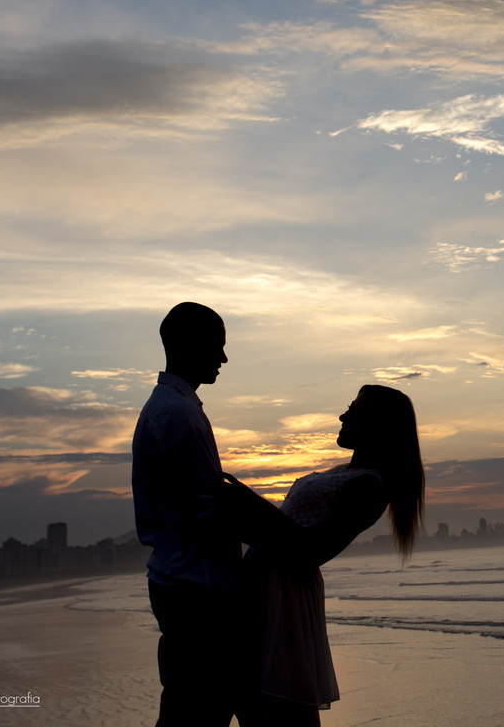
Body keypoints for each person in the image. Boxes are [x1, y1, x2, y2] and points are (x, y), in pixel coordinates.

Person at [133, 302, 319, 726]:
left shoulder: (166, 408)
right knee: (199, 710)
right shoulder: (179, 415)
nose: (223, 358)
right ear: (187, 345)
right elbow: (212, 508)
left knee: (192, 705)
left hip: (179, 579)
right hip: (200, 589)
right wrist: (285, 538)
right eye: (217, 346)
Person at [237, 384, 425, 726]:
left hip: (284, 595)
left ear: (376, 423)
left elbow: (310, 551)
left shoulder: (370, 486)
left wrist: (247, 511)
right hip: (270, 587)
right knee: (260, 703)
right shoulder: (348, 473)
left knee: (275, 707)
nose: (342, 416)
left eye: (353, 410)